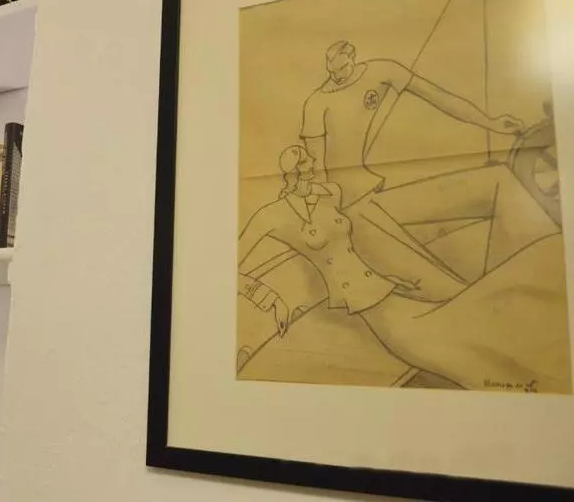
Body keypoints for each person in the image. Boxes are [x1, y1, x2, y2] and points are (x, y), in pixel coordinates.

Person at [237, 144, 569, 392]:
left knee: (488, 326)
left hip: (391, 288)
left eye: (310, 161)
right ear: (290, 172)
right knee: (468, 353)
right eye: (303, 164)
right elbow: (230, 267)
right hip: (377, 314)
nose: (311, 166)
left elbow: (352, 248)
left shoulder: (330, 194)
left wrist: (391, 276)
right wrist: (269, 299)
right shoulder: (271, 216)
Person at [296, 41, 558, 300]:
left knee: (503, 183)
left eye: (342, 69)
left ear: (352, 60)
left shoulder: (381, 71)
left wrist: (490, 123)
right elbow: (317, 169)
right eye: (332, 71)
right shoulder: (316, 104)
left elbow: (437, 97)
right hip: (349, 207)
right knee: (450, 292)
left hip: (375, 192)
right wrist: (325, 215)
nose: (337, 77)